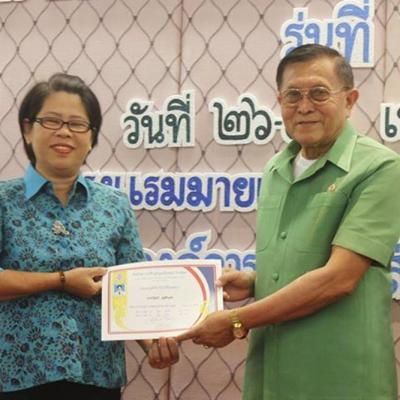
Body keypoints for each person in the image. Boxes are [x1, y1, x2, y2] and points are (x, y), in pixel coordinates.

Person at [177, 44, 400, 399]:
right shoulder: (276, 168)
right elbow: (300, 261)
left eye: (319, 93)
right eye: (293, 95)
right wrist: (254, 281)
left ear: (350, 100)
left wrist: (236, 321)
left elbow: (339, 279)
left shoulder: (381, 168)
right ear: (280, 101)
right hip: (272, 374)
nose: (305, 107)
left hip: (341, 377)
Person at [0, 73, 178, 400]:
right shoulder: (3, 201)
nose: (64, 131)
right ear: (27, 129)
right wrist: (61, 280)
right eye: (51, 121)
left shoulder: (115, 206)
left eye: (77, 124)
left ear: (92, 137)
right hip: (16, 377)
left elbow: (132, 289)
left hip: (97, 376)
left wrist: (153, 343)